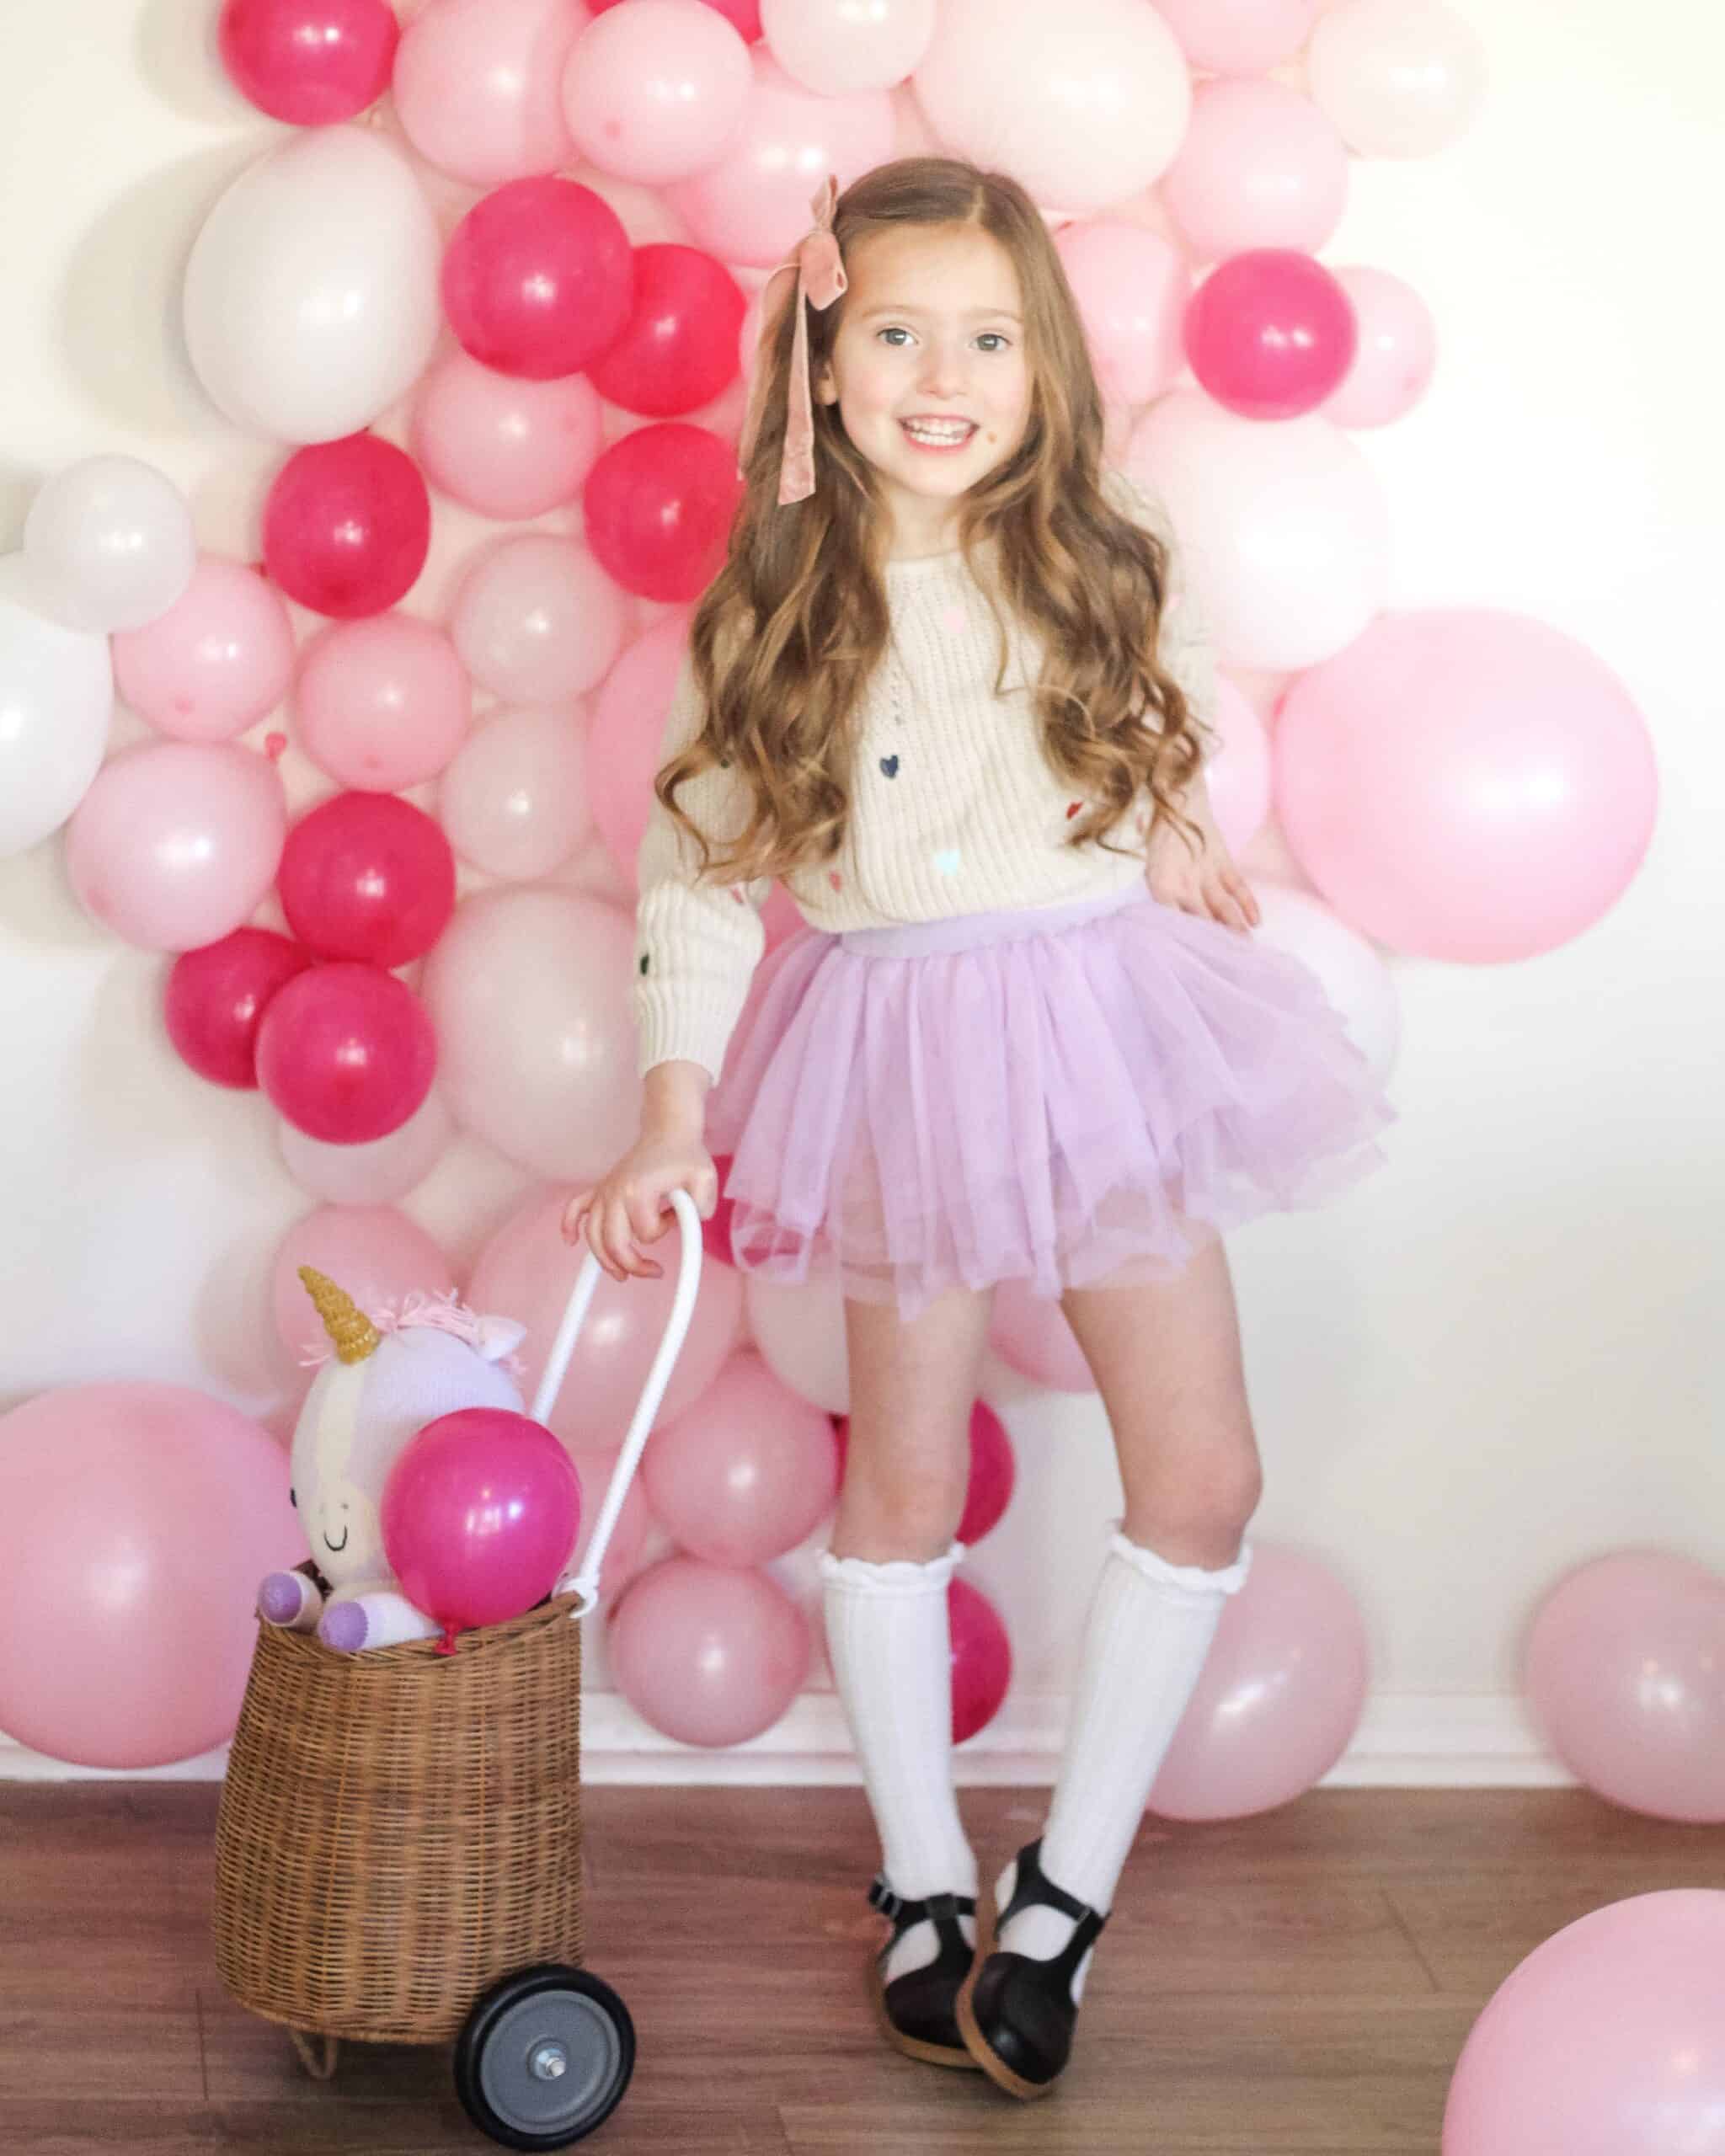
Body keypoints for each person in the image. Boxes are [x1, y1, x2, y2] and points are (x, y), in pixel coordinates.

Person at [563, 157, 1393, 2101]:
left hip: (1099, 1016)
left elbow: (1147, 719)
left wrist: (1172, 819)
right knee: (905, 1487)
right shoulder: (776, 601)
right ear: (824, 361)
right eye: (898, 333)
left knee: (1198, 1476)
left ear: (1045, 369)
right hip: (894, 1042)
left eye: (991, 338)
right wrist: (671, 1109)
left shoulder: (1101, 549)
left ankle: (1062, 1900)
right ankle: (926, 1879)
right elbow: (695, 879)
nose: (946, 375)